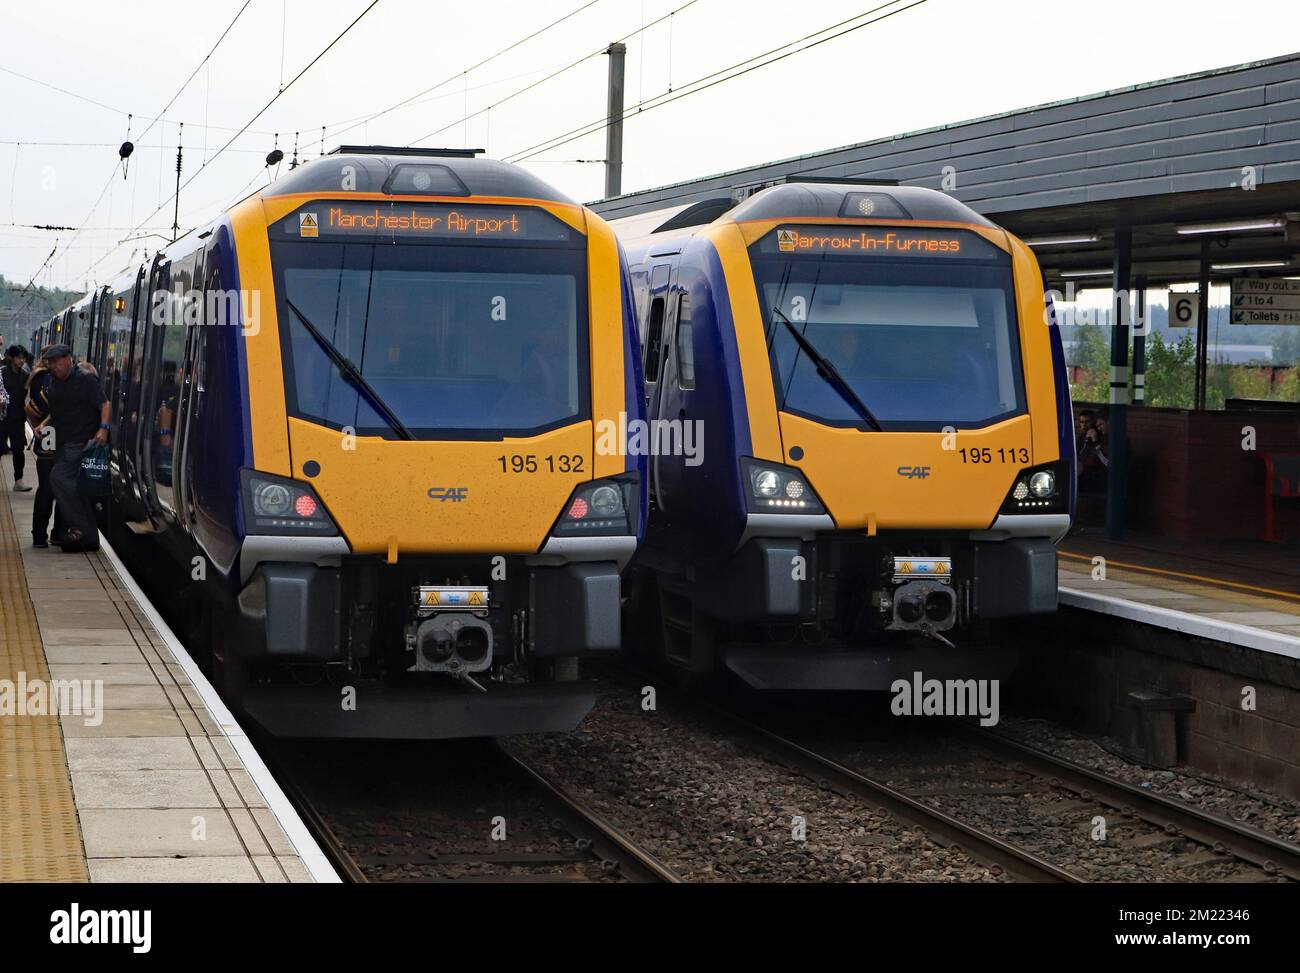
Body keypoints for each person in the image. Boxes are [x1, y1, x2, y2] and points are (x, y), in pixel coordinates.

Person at [33, 345, 109, 552]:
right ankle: (89, 537)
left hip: (82, 442)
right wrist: (44, 424)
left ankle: (80, 528)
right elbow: (56, 412)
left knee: (58, 478)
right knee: (76, 488)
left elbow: (105, 404)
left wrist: (103, 428)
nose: (53, 367)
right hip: (65, 443)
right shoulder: (56, 382)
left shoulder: (85, 379)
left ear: (68, 360)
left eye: (57, 362)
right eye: (50, 363)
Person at [24, 352, 67, 548]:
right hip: (52, 439)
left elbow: (34, 408)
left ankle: (42, 535)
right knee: (55, 490)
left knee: (48, 490)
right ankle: (53, 534)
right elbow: (37, 408)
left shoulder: (40, 379)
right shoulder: (48, 382)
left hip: (49, 441)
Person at [2, 345, 32, 491]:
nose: (22, 361)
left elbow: (28, 396)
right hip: (2, 418)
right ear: (11, 358)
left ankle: (18, 481)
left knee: (18, 450)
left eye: (23, 358)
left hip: (18, 418)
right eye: (19, 357)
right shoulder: (1, 374)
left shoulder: (26, 375)